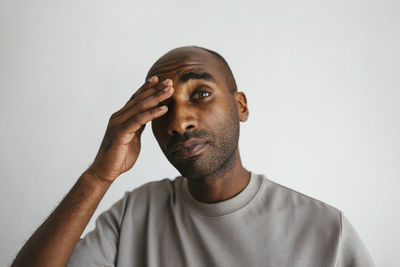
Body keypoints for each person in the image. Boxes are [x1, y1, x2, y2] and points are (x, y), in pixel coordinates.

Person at [12, 46, 375, 267]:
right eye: (162, 106)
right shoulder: (133, 215)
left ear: (240, 106)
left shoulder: (325, 231)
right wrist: (98, 177)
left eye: (200, 94)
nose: (179, 121)